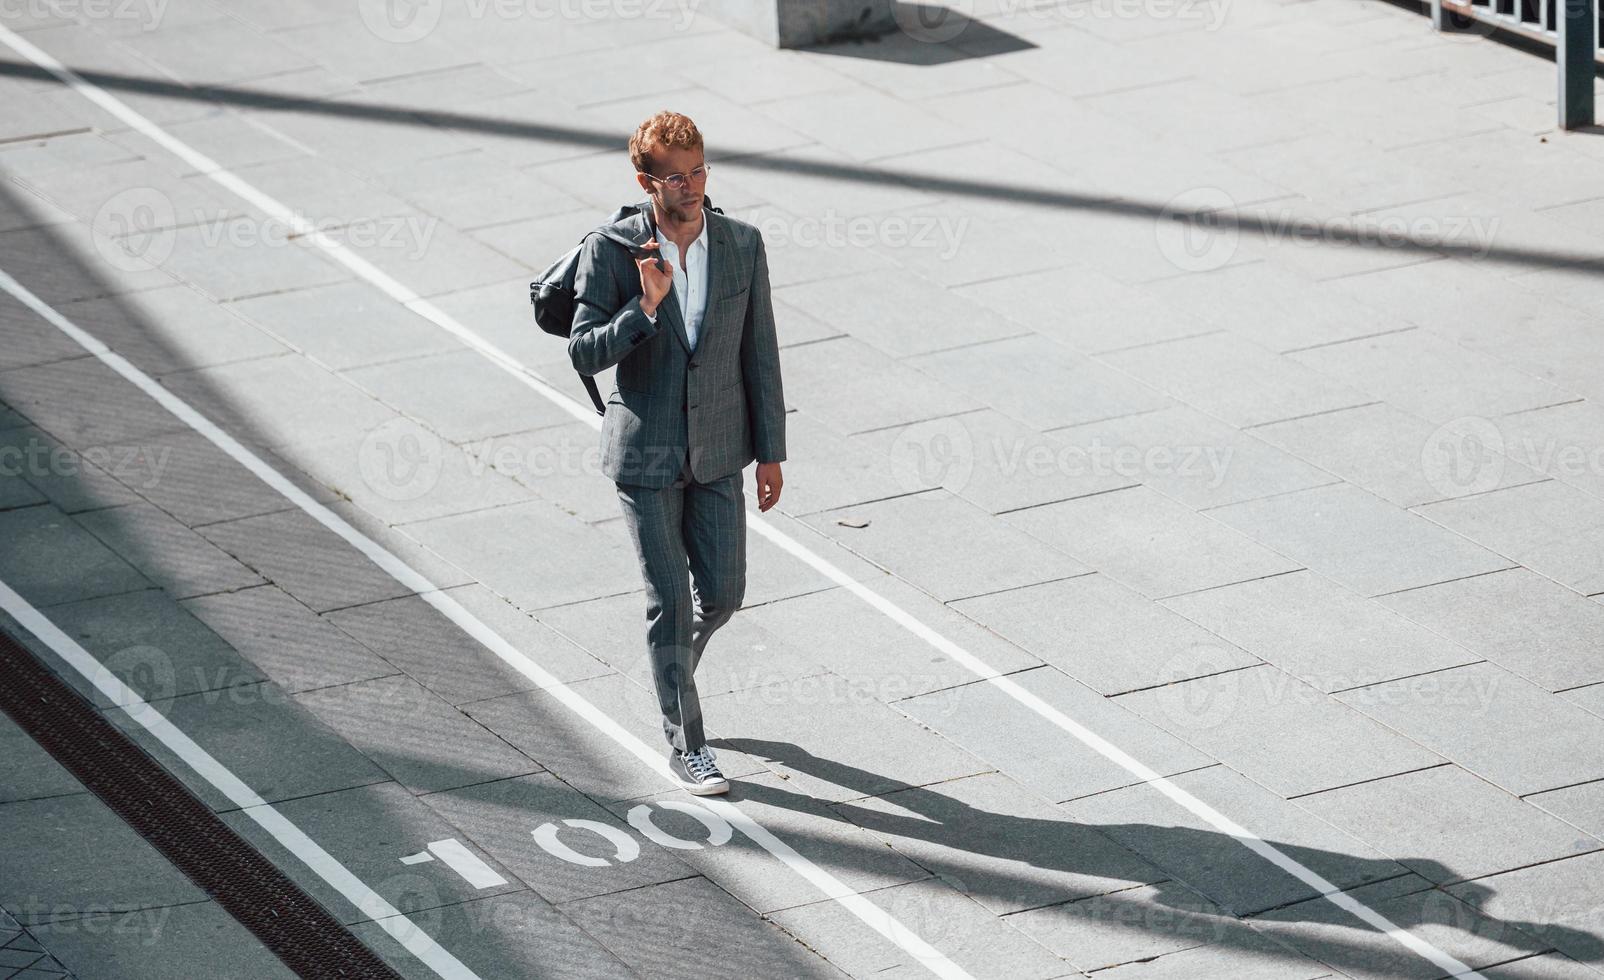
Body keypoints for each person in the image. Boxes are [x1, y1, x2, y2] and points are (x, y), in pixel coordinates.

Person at [568, 110, 786, 795]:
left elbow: (761, 355)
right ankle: (688, 744)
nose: (690, 186)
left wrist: (772, 453)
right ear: (646, 180)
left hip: (719, 451)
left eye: (698, 171)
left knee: (723, 596)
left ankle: (670, 671)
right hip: (647, 454)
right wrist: (644, 311)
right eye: (675, 177)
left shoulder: (742, 244)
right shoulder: (612, 251)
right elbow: (583, 350)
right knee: (668, 601)